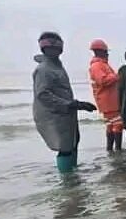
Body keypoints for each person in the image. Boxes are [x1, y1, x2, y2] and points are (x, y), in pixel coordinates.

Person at [32, 32, 96, 173]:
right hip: (55, 115)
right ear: (44, 49)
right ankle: (67, 181)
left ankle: (73, 174)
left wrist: (76, 105)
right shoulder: (43, 70)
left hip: (67, 113)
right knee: (64, 147)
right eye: (51, 48)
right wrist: (72, 104)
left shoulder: (57, 66)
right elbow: (43, 95)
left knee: (73, 142)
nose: (55, 51)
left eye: (57, 48)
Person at [89, 39, 123, 152]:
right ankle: (117, 149)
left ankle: (110, 150)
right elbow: (102, 81)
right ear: (100, 51)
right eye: (106, 51)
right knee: (118, 124)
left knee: (110, 125)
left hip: (109, 100)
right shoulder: (97, 66)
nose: (107, 54)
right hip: (108, 100)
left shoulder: (102, 65)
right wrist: (117, 76)